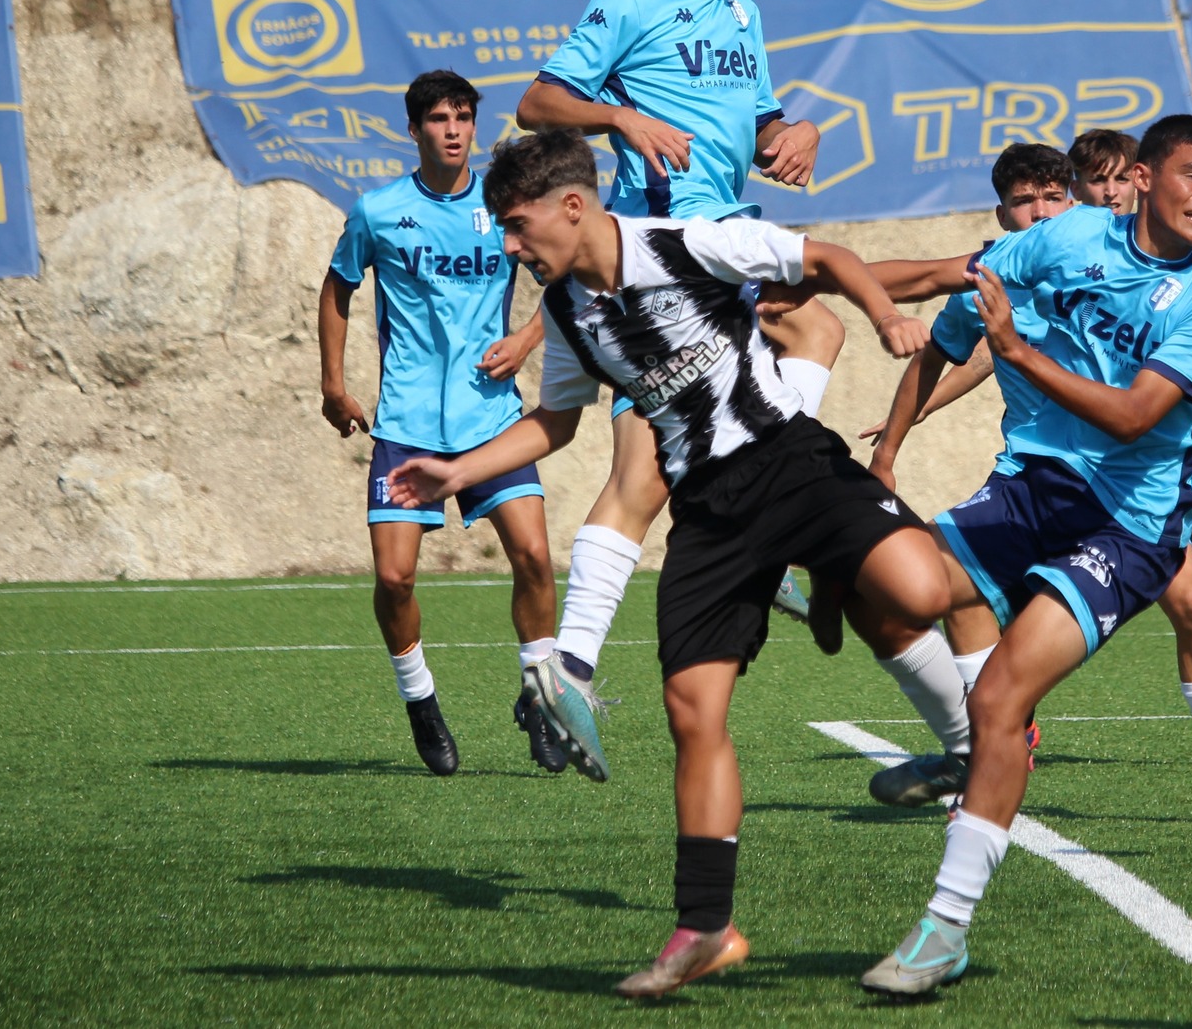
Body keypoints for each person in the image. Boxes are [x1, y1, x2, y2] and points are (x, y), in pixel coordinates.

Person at [383, 129, 971, 997]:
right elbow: (557, 421)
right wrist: (461, 468)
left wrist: (886, 317)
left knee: (918, 589)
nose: (509, 246)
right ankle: (704, 927)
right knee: (691, 708)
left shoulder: (687, 244)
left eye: (516, 224)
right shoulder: (564, 311)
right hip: (708, 515)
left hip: (790, 461)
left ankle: (972, 723)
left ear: (571, 207)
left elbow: (828, 255)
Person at [861, 115, 1192, 997]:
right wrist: (887, 452)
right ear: (1142, 178)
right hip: (1028, 491)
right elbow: (954, 327)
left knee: (1005, 692)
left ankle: (944, 929)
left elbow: (1128, 416)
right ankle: (972, 750)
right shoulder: (1065, 237)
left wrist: (1017, 349)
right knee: (885, 588)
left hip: (1128, 523)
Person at [514, 0, 828, 758]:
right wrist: (620, 117)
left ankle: (566, 667)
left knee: (648, 470)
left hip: (719, 232)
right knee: (817, 323)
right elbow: (540, 99)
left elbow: (765, 126)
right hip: (667, 253)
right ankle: (751, 512)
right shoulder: (627, 2)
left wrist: (796, 129)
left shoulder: (744, 11)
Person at [316, 70, 562, 777]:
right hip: (408, 421)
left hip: (492, 419)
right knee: (394, 579)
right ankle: (420, 700)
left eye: (462, 116)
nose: (452, 129)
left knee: (537, 559)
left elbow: (570, 272)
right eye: (438, 118)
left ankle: (541, 698)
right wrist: (334, 384)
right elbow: (337, 287)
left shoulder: (505, 206)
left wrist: (524, 339)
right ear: (414, 129)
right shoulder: (381, 210)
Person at [1069, 128, 1192, 766]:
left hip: (1160, 465)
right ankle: (1010, 722)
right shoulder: (1074, 253)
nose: (1110, 191)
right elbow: (991, 345)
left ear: (1139, 180)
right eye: (1096, 180)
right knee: (1178, 600)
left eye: (1117, 178)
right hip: (1082, 464)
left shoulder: (1190, 265)